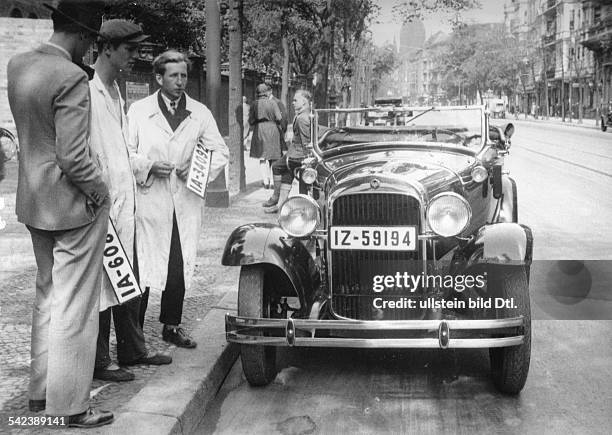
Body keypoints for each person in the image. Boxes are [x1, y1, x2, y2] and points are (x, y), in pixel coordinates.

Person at [7, 0, 113, 427]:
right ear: (85, 37)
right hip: (72, 205)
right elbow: (73, 157)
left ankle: (39, 394)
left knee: (47, 295)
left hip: (33, 201)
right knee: (75, 307)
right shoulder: (70, 77)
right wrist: (100, 190)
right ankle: (70, 406)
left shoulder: (18, 65)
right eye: (91, 42)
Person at [127, 50, 229, 349]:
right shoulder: (139, 111)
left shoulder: (199, 113)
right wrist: (147, 166)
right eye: (174, 75)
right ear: (159, 78)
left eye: (184, 75)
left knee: (178, 264)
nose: (181, 81)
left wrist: (198, 167)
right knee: (144, 264)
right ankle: (134, 331)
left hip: (184, 200)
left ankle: (172, 325)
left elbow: (220, 151)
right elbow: (124, 151)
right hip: (150, 198)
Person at [89, 19, 172, 383]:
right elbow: (93, 155)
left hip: (128, 201)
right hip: (104, 203)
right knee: (103, 281)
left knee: (127, 276)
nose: (134, 56)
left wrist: (149, 164)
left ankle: (132, 348)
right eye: (129, 49)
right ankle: (99, 360)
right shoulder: (89, 93)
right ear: (107, 48)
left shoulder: (116, 93)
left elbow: (123, 150)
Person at [264, 90, 312, 213]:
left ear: (304, 102)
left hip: (297, 156)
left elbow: (306, 141)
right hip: (296, 154)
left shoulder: (302, 118)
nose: (293, 102)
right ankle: (280, 205)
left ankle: (276, 198)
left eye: (296, 100)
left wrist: (307, 158)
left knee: (276, 167)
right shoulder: (306, 114)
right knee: (287, 174)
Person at [249, 84, 283, 189]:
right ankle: (273, 182)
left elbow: (251, 120)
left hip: (260, 129)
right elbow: (279, 117)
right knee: (273, 156)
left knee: (262, 156)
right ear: (266, 92)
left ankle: (266, 181)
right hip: (273, 129)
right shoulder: (273, 103)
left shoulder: (254, 104)